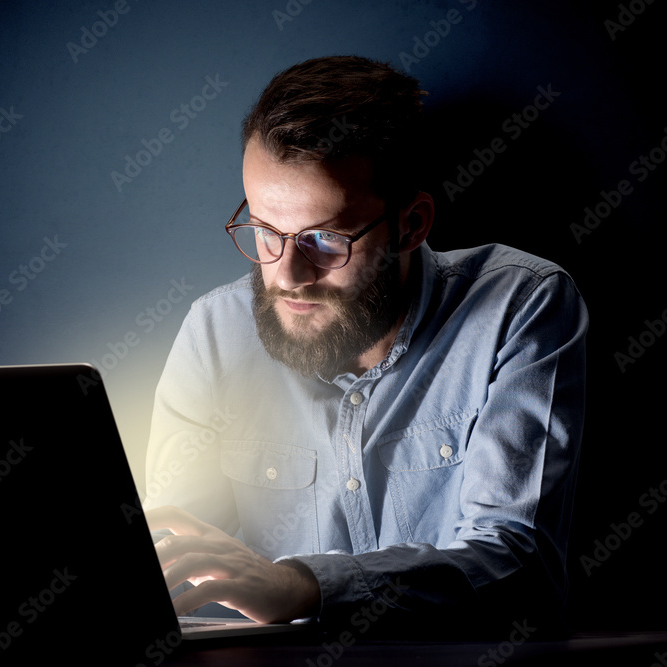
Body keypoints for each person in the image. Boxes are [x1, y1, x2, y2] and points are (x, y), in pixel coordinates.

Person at [143, 55, 587, 637]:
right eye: (263, 230)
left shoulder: (521, 306)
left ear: (412, 223)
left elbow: (518, 569)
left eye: (324, 239)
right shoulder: (214, 333)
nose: (287, 275)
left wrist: (306, 586)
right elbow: (171, 570)